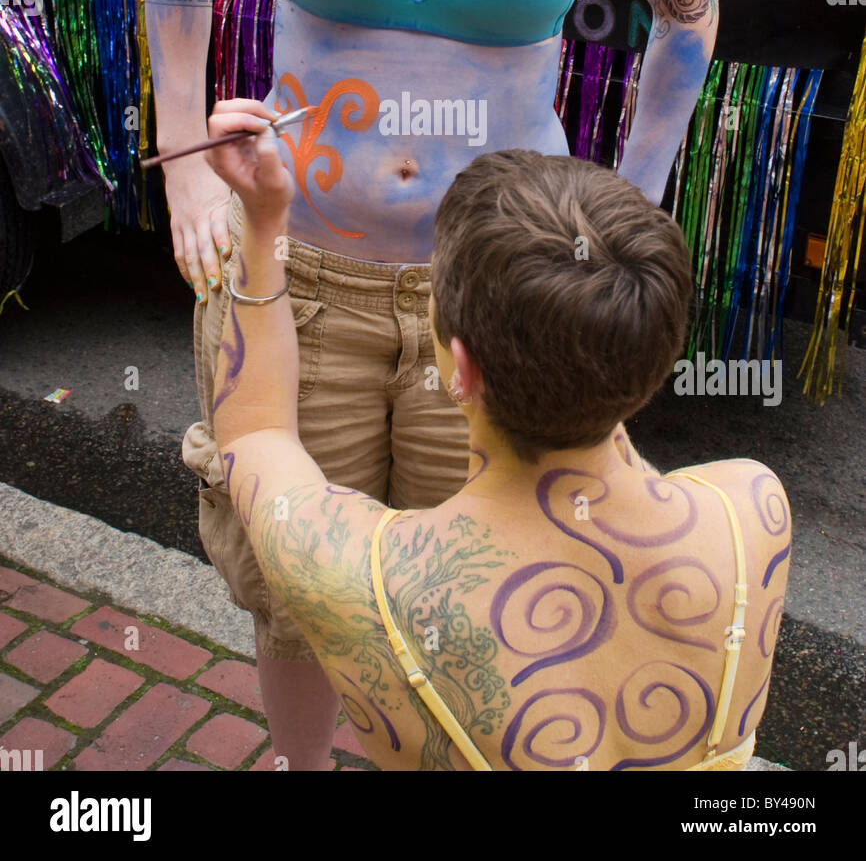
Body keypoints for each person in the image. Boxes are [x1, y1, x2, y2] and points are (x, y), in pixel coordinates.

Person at [144, 0, 719, 769]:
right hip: (296, 283)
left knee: (482, 603)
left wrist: (624, 216)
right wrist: (186, 160)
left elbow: (686, 19)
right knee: (293, 591)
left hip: (497, 297)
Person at [200, 97, 789, 772]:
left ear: (464, 367)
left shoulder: (372, 579)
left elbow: (255, 430)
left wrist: (263, 222)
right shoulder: (751, 511)